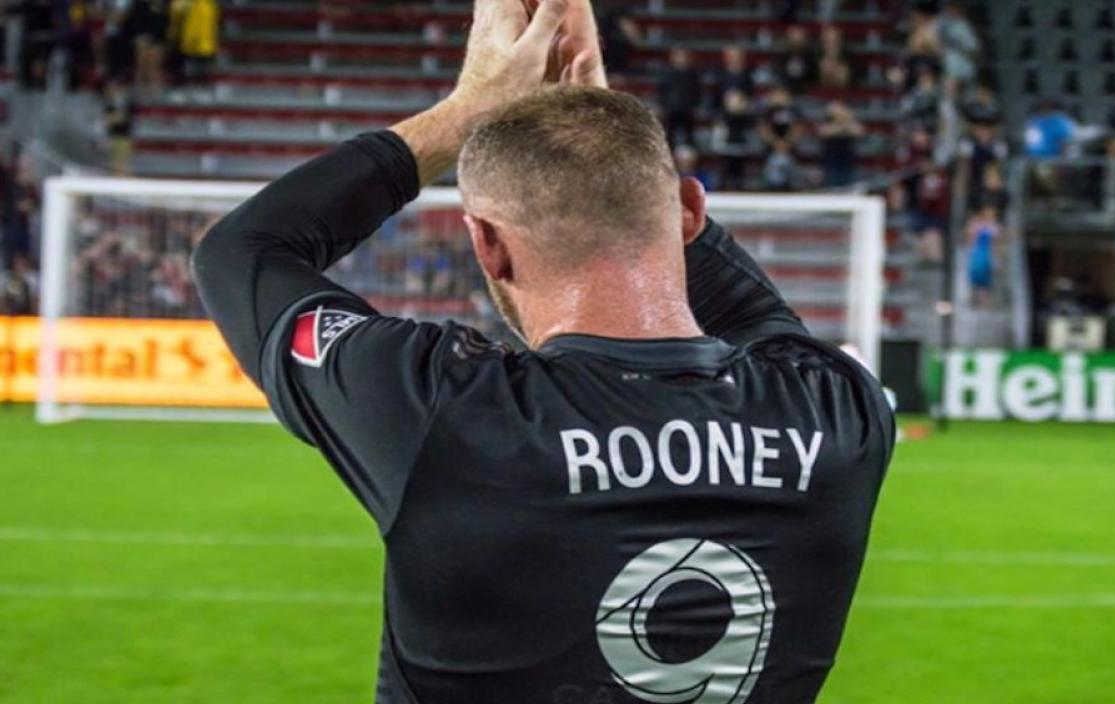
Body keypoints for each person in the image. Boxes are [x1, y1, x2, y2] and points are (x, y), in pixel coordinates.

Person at [192, 1, 894, 701]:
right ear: (690, 212)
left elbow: (242, 251)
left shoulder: (443, 410)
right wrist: (598, 127)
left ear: (486, 244)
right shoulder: (836, 412)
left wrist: (465, 113)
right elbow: (751, 310)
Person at [657, 47, 701, 147]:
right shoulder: (667, 73)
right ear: (672, 58)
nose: (681, 59)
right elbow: (662, 91)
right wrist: (663, 105)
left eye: (683, 56)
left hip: (688, 109)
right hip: (671, 109)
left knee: (689, 138)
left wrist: (695, 105)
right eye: (678, 56)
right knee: (670, 137)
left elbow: (697, 92)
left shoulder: (693, 74)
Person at [818, 100, 864, 188]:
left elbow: (858, 131)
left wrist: (844, 125)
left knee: (849, 188)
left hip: (848, 164)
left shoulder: (851, 124)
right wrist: (842, 128)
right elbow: (825, 133)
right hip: (830, 165)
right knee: (831, 189)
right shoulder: (826, 124)